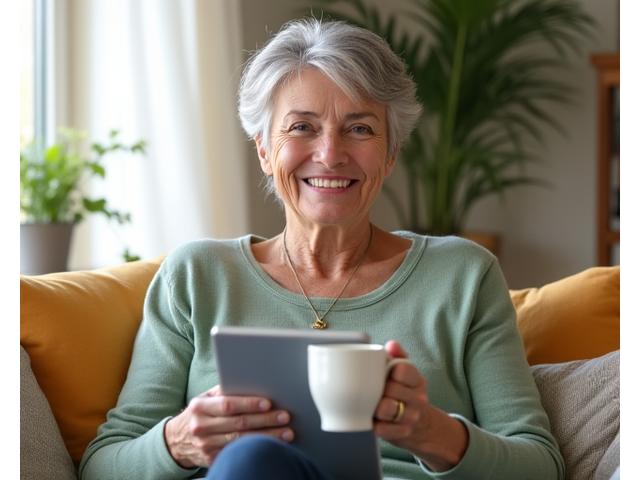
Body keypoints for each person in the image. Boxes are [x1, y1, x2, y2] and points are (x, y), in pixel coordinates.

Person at [79, 18, 564, 480]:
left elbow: (541, 465)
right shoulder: (197, 275)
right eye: (302, 127)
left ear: (391, 152)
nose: (330, 153)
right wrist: (179, 441)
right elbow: (102, 466)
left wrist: (431, 433)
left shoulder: (463, 275)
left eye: (360, 128)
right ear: (265, 151)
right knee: (252, 462)